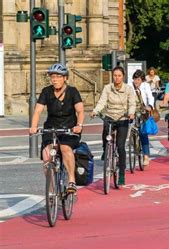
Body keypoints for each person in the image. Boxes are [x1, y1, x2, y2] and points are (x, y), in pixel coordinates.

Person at [30, 63, 84, 194]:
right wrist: (33, 127)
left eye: (58, 76)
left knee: (65, 148)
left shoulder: (72, 91)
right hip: (51, 128)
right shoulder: (46, 91)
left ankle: (71, 181)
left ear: (65, 78)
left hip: (69, 129)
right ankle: (51, 189)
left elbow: (80, 111)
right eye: (52, 77)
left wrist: (79, 125)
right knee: (47, 155)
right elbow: (37, 111)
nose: (54, 79)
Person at [91, 66, 136, 185]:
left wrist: (131, 113)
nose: (117, 78)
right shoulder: (107, 88)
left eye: (119, 76)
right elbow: (102, 102)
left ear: (123, 76)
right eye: (115, 75)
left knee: (120, 146)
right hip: (110, 116)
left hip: (123, 118)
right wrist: (95, 111)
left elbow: (132, 103)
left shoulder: (129, 89)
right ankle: (105, 149)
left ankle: (121, 173)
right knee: (106, 130)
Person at [132, 70, 155, 166]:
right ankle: (134, 144)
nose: (136, 81)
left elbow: (150, 97)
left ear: (142, 80)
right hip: (132, 109)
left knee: (143, 133)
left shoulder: (146, 86)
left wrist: (150, 106)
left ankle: (146, 155)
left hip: (143, 110)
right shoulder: (130, 86)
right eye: (134, 79)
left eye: (138, 79)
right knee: (131, 129)